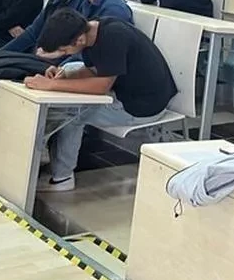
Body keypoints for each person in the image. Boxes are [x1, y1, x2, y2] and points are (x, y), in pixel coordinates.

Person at [29, 10, 178, 192]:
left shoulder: (113, 36)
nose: (64, 53)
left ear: (79, 40)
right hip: (124, 88)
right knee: (69, 68)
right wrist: (62, 77)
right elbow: (93, 70)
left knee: (71, 114)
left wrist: (51, 86)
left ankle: (62, 178)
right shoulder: (92, 31)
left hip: (142, 106)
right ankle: (52, 161)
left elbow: (101, 86)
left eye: (64, 50)